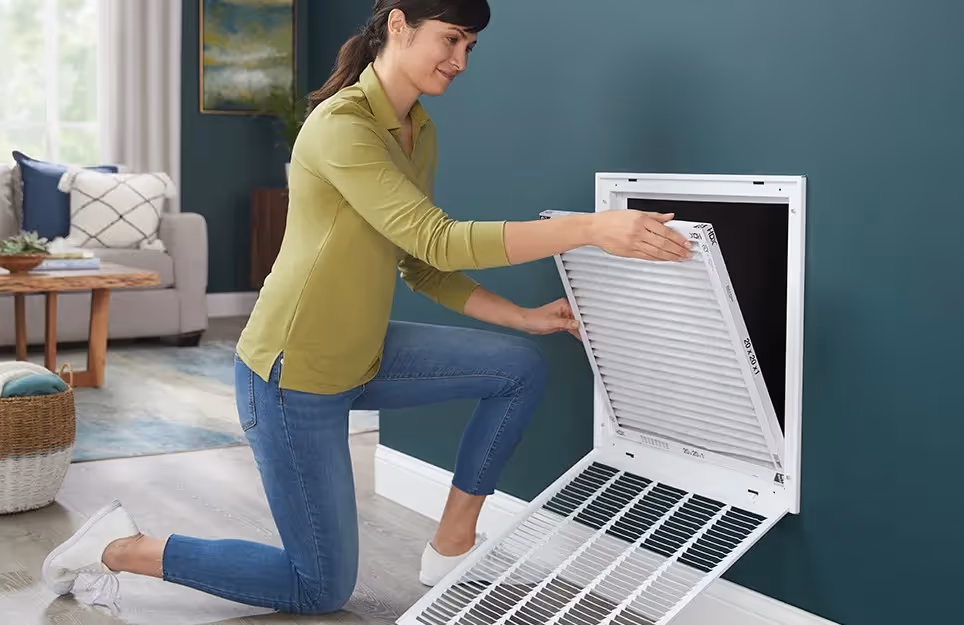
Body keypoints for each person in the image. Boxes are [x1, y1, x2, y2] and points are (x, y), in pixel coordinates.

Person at [40, 0, 690, 616]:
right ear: (400, 26)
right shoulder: (341, 126)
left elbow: (419, 259)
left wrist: (522, 316)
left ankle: (451, 546)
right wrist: (587, 228)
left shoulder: (417, 130)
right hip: (293, 376)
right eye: (451, 38)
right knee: (317, 585)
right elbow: (437, 234)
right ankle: (118, 545)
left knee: (519, 364)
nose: (461, 59)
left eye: (470, 45)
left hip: (363, 352)